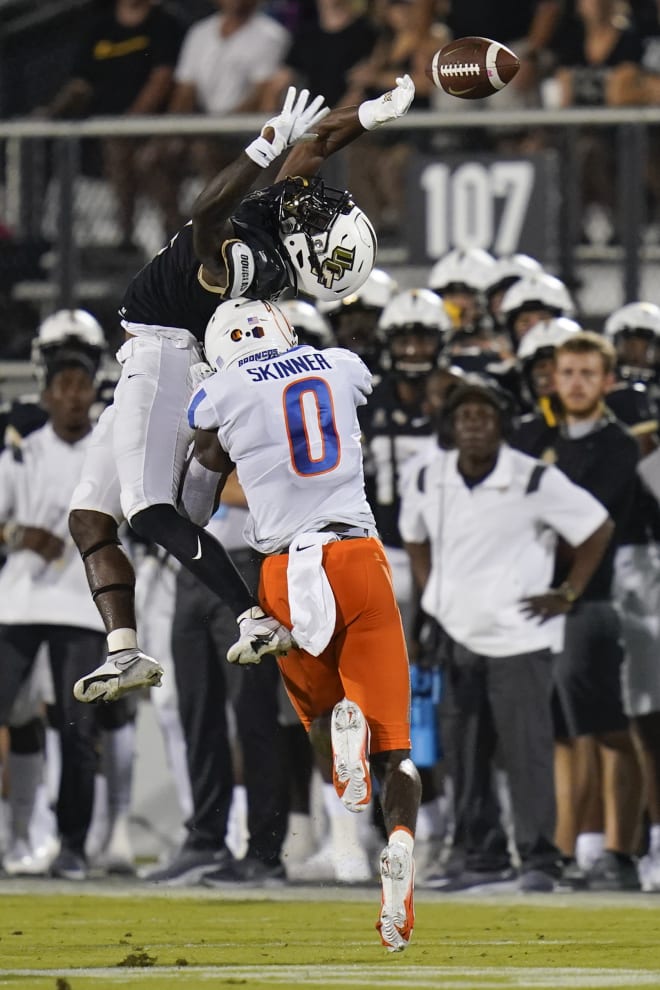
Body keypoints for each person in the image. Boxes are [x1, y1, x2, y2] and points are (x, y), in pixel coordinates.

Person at [69, 75, 416, 705]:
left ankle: (252, 614)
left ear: (306, 253)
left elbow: (204, 214)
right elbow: (317, 143)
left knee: (151, 511)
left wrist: (259, 151)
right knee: (90, 517)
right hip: (155, 352)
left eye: (320, 219)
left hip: (168, 350)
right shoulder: (287, 226)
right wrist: (372, 111)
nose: (316, 203)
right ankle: (123, 652)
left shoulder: (245, 259)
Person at [187, 296, 421, 951]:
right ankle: (398, 844)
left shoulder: (222, 387)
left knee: (318, 717)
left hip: (286, 567)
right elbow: (349, 390)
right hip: (360, 553)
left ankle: (339, 732)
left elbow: (197, 495)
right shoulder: (341, 364)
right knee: (396, 747)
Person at [400, 380, 614, 891]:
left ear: (501, 424)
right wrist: (434, 600)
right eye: (465, 416)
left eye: (484, 415)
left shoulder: (536, 478)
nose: (474, 424)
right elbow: (414, 536)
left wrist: (567, 592)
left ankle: (541, 859)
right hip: (456, 634)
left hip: (520, 637)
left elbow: (597, 526)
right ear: (451, 426)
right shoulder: (429, 477)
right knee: (464, 752)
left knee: (528, 752)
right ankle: (481, 855)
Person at [512, 331, 644, 890]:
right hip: (544, 598)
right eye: (567, 373)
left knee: (606, 730)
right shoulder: (539, 433)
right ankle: (568, 850)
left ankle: (616, 850)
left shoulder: (619, 445)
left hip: (591, 599)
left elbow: (581, 518)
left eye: (588, 373)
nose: (575, 383)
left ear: (608, 382)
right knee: (565, 732)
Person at [0, 351, 118, 880]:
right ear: (46, 395)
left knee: (76, 727)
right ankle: (15, 832)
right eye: (63, 385)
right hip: (19, 600)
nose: (73, 394)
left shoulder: (110, 450)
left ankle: (72, 843)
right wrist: (22, 535)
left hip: (83, 603)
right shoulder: (20, 453)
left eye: (82, 384)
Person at [36, 0, 184, 249]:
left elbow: (162, 78)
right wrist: (50, 113)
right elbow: (81, 84)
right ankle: (39, 237)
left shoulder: (165, 24)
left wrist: (130, 121)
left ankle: (164, 236)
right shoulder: (100, 28)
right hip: (99, 127)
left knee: (130, 152)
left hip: (150, 126)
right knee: (44, 143)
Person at [138, 0, 291, 236]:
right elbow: (185, 90)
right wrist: (174, 128)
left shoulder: (270, 35)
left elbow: (259, 95)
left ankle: (217, 228)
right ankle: (176, 230)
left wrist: (215, 127)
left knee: (204, 151)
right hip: (203, 127)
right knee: (153, 157)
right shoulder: (200, 33)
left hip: (244, 132)